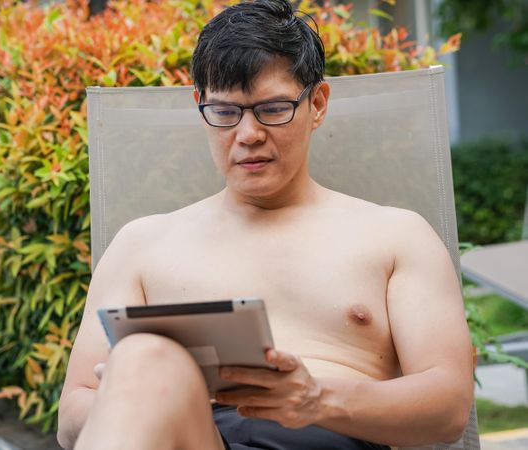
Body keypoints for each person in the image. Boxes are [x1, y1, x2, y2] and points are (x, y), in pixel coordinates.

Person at [57, 1, 474, 449]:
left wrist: (317, 398)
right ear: (200, 107)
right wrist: (135, 391)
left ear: (317, 103)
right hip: (192, 438)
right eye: (225, 112)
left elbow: (448, 407)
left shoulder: (396, 237)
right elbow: (72, 417)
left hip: (331, 437)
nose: (249, 133)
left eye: (273, 109)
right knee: (143, 356)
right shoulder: (141, 244)